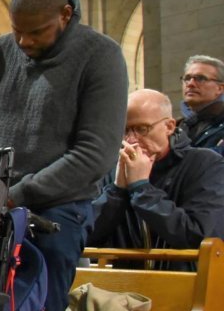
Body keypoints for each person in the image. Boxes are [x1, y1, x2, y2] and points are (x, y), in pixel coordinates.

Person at [0, 0, 127, 311]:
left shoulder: (100, 56)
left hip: (58, 212)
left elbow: (94, 154)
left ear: (65, 15)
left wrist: (17, 193)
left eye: (36, 32)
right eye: (17, 30)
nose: (23, 41)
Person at [88, 89, 224, 257]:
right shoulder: (114, 170)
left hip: (184, 279)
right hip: (124, 279)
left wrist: (141, 188)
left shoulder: (205, 164)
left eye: (141, 129)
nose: (131, 140)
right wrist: (117, 192)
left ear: (169, 126)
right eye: (125, 131)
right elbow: (86, 237)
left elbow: (199, 236)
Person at [174, 54, 224, 155]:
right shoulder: (176, 127)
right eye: (187, 78)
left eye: (200, 78)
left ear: (220, 88)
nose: (190, 84)